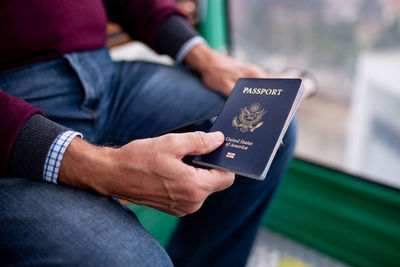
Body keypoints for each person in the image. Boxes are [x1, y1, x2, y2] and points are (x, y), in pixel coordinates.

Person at [0, 0, 297, 266]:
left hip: (106, 77)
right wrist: (107, 169)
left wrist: (205, 57)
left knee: (273, 129)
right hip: (12, 108)